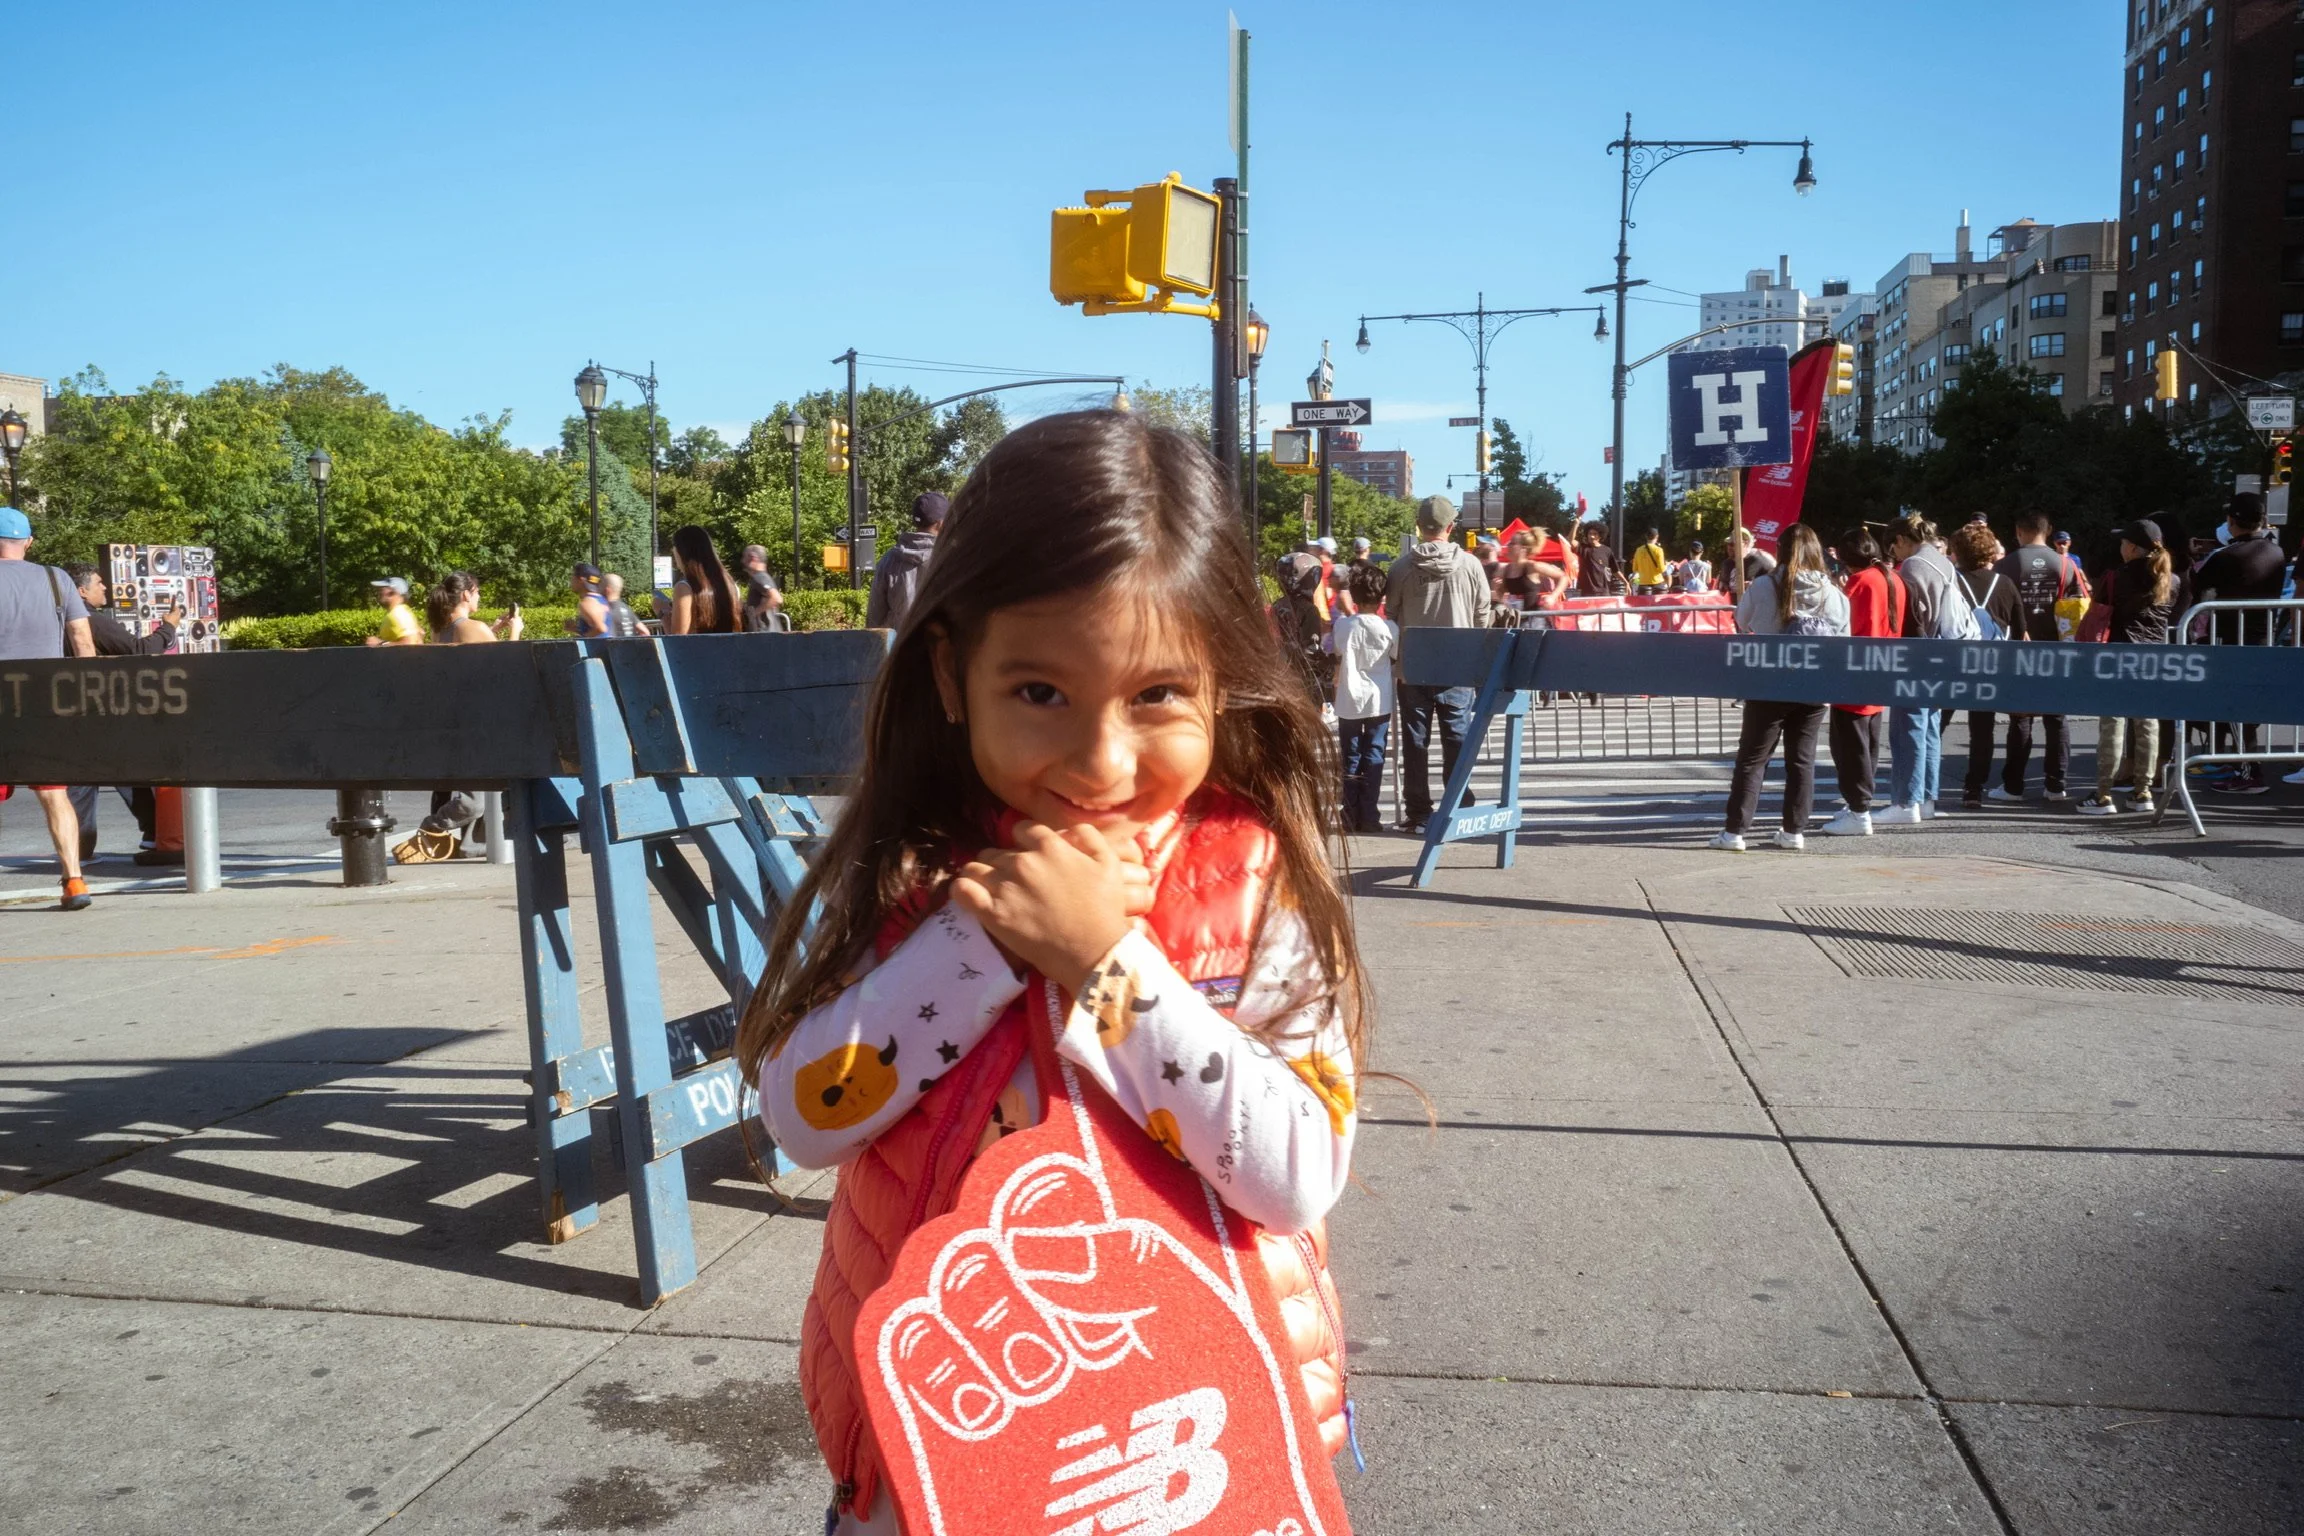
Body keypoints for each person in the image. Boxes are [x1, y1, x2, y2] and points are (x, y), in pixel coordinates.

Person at [732, 410, 1361, 1535]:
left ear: (1225, 679)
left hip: (1194, 1447)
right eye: (1039, 692)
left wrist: (1104, 966)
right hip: (944, 1441)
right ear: (951, 673)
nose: (1100, 759)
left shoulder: (1254, 884)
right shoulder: (912, 877)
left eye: (1158, 694)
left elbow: (1298, 1170)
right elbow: (806, 1119)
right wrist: (986, 942)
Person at [1710, 526, 1849, 852]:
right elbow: (1845, 639)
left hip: (1768, 683)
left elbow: (1743, 623)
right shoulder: (1834, 594)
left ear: (1782, 550)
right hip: (1814, 687)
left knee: (1752, 760)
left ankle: (1734, 832)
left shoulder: (1764, 585)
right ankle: (1793, 831)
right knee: (1802, 761)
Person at [0, 507, 96, 909]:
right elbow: (82, 640)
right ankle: (74, 881)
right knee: (56, 794)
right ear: (29, 542)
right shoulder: (57, 580)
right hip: (44, 699)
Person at [394, 581, 525, 863]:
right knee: (475, 801)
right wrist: (515, 632)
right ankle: (430, 828)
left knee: (489, 789)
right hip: (479, 725)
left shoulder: (441, 630)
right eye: (478, 592)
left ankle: (471, 843)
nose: (480, 596)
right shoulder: (472, 627)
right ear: (466, 594)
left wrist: (495, 629)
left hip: (457, 722)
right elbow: (506, 667)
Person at [1388, 495, 1493, 835]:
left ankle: (1418, 811)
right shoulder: (1471, 565)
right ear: (1451, 527)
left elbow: (1390, 614)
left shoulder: (1401, 568)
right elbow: (1482, 616)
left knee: (1415, 741)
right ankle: (1458, 803)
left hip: (1413, 666)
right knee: (1457, 738)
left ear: (1419, 527)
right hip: (1458, 663)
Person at [62, 562, 179, 859]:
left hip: (70, 712)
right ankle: (153, 832)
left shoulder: (57, 619)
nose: (105, 587)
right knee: (129, 773)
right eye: (99, 582)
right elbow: (138, 650)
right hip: (105, 711)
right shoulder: (94, 621)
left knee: (83, 782)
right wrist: (169, 627)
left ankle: (80, 847)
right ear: (81, 591)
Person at [2076, 518, 2188, 817]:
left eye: (2124, 542)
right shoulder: (2172, 581)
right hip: (2153, 658)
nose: (2121, 547)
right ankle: (2143, 791)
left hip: (2117, 656)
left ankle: (2103, 794)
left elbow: (2099, 615)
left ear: (2133, 548)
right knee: (2147, 724)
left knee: (2112, 724)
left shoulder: (2115, 577)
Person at [2190, 492, 2287, 795]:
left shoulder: (2227, 556)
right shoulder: (2276, 553)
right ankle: (2241, 765)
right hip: (2262, 638)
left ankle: (2249, 773)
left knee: (2234, 706)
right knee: (2250, 704)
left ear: (2233, 520)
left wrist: (2197, 556)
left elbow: (2199, 583)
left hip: (2231, 637)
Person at [1876, 513, 1970, 825]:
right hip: (1943, 654)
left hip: (1918, 655)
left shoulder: (1914, 566)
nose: (1894, 555)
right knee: (1928, 727)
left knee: (1908, 729)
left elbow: (1914, 617)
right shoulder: (1941, 561)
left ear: (1901, 541)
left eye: (1894, 549)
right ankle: (1927, 799)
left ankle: (1906, 802)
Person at [1819, 528, 1904, 837]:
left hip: (1853, 671)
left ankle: (1858, 809)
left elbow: (1842, 624)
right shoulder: (1892, 578)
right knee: (1867, 745)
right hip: (1881, 670)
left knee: (1849, 747)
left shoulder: (1860, 582)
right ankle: (1860, 804)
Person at [1993, 510, 2082, 802]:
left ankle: (2013, 785)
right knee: (2057, 718)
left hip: (2019, 649)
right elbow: (2080, 607)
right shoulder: (2067, 565)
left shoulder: (2004, 565)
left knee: (2020, 718)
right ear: (2049, 530)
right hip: (2057, 649)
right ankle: (2056, 784)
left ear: (2019, 531)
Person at [1948, 523, 2023, 809]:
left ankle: (1923, 786)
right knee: (1982, 729)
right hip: (1992, 664)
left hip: (1956, 662)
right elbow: (2019, 630)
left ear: (1958, 552)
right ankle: (1973, 788)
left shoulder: (1952, 582)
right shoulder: (2005, 584)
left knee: (1937, 720)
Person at [1327, 563, 1396, 833]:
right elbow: (1394, 656)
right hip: (1379, 698)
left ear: (1353, 597)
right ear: (1382, 597)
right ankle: (1370, 813)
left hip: (1349, 697)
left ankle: (1349, 812)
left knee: (1351, 754)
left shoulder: (1344, 626)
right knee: (1375, 753)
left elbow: (1339, 654)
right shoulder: (1389, 628)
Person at [865, 492, 948, 631]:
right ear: (941, 524)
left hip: (900, 646)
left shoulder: (888, 560)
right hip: (941, 647)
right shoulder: (950, 557)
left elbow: (875, 618)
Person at [1269, 552, 1328, 703]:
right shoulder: (1309, 610)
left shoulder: (1277, 605)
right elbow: (1311, 649)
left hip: (1280, 674)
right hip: (1302, 679)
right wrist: (1328, 665)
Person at [664, 525, 741, 635]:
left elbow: (677, 640)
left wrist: (662, 613)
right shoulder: (731, 586)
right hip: (729, 650)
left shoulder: (684, 588)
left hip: (696, 651)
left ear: (681, 552)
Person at [364, 577, 422, 646]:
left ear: (393, 592)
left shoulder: (398, 614)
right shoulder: (400, 612)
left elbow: (411, 644)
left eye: (382, 589)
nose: (379, 592)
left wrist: (380, 643)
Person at [1574, 521, 1625, 597]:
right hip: (1586, 592)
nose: (1592, 536)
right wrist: (1576, 524)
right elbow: (1570, 541)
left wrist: (1625, 582)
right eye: (1590, 534)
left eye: (1595, 534)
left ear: (1600, 536)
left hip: (1604, 592)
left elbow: (1615, 570)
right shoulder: (1582, 548)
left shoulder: (1607, 550)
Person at [567, 564, 611, 637]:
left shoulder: (587, 603)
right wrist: (576, 629)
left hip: (598, 648)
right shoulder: (601, 599)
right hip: (607, 647)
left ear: (581, 580)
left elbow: (601, 629)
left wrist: (583, 638)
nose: (571, 580)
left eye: (573, 577)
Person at [1629, 527, 1672, 595]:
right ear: (1657, 536)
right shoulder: (1658, 550)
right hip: (1657, 584)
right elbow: (1661, 569)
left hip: (1643, 585)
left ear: (1646, 536)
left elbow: (1635, 569)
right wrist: (1666, 565)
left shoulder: (1638, 550)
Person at [599, 572, 643, 637]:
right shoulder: (627, 609)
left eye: (600, 587)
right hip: (631, 646)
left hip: (613, 647)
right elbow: (645, 632)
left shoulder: (605, 610)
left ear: (607, 590)